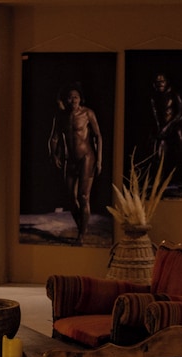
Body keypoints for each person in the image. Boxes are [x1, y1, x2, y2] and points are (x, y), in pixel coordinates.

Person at [48, 83, 103, 244]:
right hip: (70, 159)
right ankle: (82, 226)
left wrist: (99, 160)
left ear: (80, 99)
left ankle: (81, 235)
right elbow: (54, 138)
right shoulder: (61, 116)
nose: (73, 100)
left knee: (83, 196)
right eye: (70, 97)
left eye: (76, 97)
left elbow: (98, 136)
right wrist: (53, 155)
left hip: (87, 157)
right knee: (70, 198)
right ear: (66, 99)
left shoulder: (87, 113)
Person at [149, 73, 182, 195]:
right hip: (163, 130)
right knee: (160, 156)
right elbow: (156, 117)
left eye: (162, 81)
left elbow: (180, 113)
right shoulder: (154, 98)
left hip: (175, 128)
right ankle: (159, 184)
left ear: (167, 82)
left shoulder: (174, 95)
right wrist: (159, 130)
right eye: (157, 82)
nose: (160, 84)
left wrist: (168, 127)